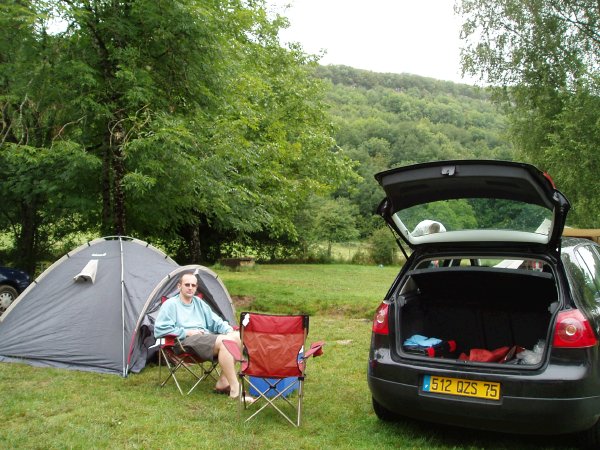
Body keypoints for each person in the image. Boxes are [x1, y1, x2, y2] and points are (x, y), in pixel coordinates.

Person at [154, 273, 250, 401]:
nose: (190, 288)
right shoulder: (171, 304)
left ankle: (223, 381)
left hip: (204, 337)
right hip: (184, 342)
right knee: (226, 342)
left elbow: (216, 321)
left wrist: (229, 331)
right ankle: (235, 389)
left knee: (238, 337)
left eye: (193, 285)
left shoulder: (199, 302)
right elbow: (159, 329)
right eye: (187, 285)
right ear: (179, 286)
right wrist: (186, 332)